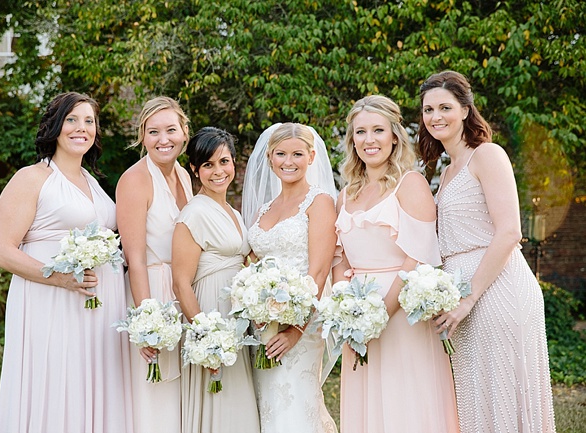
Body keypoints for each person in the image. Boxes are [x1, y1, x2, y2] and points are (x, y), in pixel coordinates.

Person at [418, 70, 556, 433]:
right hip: (461, 296)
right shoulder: (446, 173)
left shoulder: (487, 155)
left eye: (445, 107)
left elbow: (510, 231)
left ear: (465, 110)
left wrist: (467, 298)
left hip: (496, 288)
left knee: (504, 393)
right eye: (428, 109)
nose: (436, 116)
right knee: (476, 395)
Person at [0, 92, 133, 432]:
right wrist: (59, 278)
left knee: (88, 381)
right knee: (55, 379)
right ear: (55, 126)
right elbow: (2, 250)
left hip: (97, 309)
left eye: (89, 121)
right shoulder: (32, 178)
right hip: (51, 301)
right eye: (72, 119)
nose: (80, 128)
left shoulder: (94, 184)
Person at [331, 95, 459, 433]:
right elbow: (339, 256)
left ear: (394, 136)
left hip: (402, 316)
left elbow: (418, 257)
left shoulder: (410, 183)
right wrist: (349, 308)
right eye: (360, 132)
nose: (369, 140)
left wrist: (380, 315)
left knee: (405, 405)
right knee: (367, 406)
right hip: (358, 318)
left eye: (377, 131)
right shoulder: (345, 194)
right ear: (352, 139)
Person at [243, 122, 338, 433]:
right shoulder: (263, 210)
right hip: (262, 326)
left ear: (311, 157)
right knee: (265, 405)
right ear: (270, 157)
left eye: (297, 154)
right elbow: (251, 263)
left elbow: (319, 271)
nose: (289, 161)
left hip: (302, 326)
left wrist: (296, 329)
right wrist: (253, 304)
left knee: (294, 404)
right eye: (281, 154)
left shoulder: (319, 201)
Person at [171, 127, 260, 433]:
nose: (218, 171)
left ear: (234, 162)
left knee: (239, 406)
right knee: (220, 403)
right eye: (208, 164)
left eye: (223, 161)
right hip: (210, 315)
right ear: (195, 169)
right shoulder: (193, 214)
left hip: (235, 317)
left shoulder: (233, 213)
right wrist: (206, 340)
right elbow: (181, 283)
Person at [115, 96, 193, 432]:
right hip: (150, 293)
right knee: (152, 391)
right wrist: (146, 323)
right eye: (153, 132)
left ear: (184, 133)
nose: (164, 139)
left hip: (180, 293)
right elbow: (134, 258)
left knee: (177, 394)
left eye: (171, 130)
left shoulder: (185, 176)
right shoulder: (134, 180)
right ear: (142, 136)